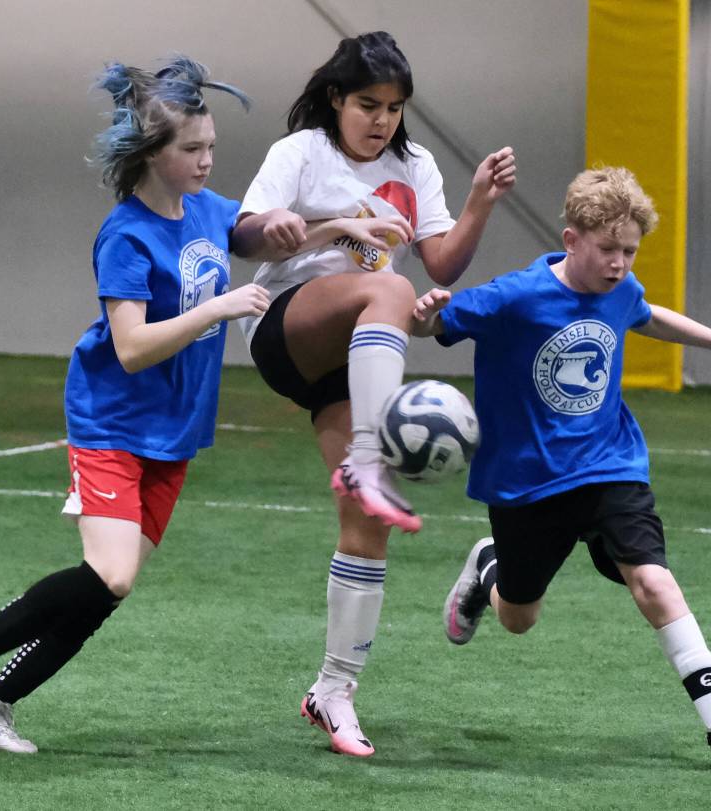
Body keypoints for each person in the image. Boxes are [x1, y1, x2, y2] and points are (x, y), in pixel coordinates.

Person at [0, 56, 268, 754]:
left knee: (106, 588)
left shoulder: (208, 209)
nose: (207, 160)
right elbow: (135, 345)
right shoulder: (125, 234)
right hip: (112, 418)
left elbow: (260, 230)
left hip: (175, 430)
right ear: (151, 154)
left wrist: (335, 226)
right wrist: (224, 308)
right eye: (192, 149)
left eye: (211, 148)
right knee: (111, 572)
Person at [411, 166, 711, 778]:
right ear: (572, 238)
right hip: (526, 484)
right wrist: (425, 315)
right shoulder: (514, 296)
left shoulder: (621, 289)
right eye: (608, 249)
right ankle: (489, 567)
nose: (619, 263)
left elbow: (647, 313)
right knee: (517, 617)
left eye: (630, 251)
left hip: (610, 466)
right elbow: (433, 324)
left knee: (655, 584)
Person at [230, 31, 516, 757]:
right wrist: (310, 226)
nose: (381, 119)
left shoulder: (414, 165)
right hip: (286, 327)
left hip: (357, 355)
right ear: (335, 97)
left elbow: (443, 256)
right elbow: (245, 238)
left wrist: (480, 201)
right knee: (390, 283)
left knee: (369, 522)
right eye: (367, 104)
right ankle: (365, 452)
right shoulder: (300, 152)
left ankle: (334, 690)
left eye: (393, 107)